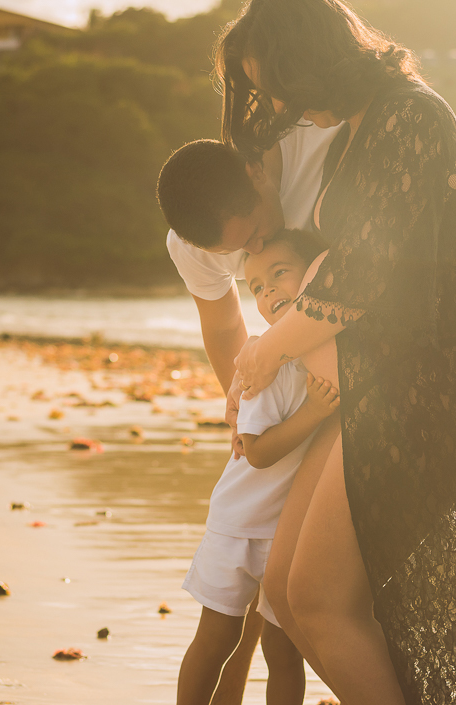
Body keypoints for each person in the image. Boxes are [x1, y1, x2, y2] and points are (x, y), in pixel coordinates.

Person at [224, 0, 456, 704]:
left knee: (320, 599)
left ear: (316, 57)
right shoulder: (352, 126)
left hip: (437, 376)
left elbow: (365, 268)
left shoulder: (408, 112)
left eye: (286, 86)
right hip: (381, 377)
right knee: (290, 595)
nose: (287, 107)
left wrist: (270, 349)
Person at [158, 124, 456, 702]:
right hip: (295, 423)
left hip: (360, 389)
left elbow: (430, 188)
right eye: (238, 254)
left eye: (260, 232)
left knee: (291, 619)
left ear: (256, 177)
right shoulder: (193, 245)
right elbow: (222, 324)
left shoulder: (318, 164)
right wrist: (253, 408)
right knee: (230, 626)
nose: (256, 248)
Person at [177, 229, 337, 705]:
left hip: (288, 533)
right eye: (257, 289)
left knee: (283, 650)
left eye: (279, 275)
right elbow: (258, 452)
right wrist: (312, 413)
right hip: (241, 526)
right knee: (218, 637)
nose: (268, 294)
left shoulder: (321, 357)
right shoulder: (266, 364)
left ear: (314, 276)